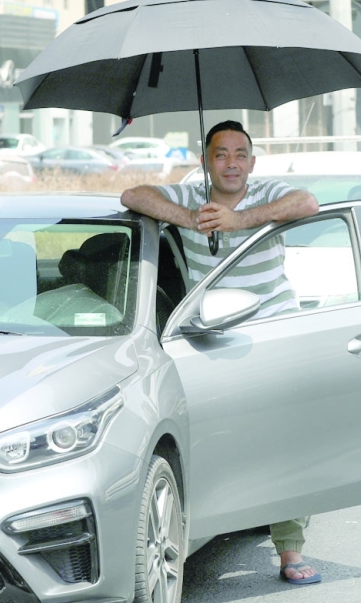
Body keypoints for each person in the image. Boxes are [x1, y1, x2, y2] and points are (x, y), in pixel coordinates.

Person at [120, 120, 323, 585]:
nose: (231, 163)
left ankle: (290, 550)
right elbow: (132, 196)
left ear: (252, 162)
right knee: (219, 437)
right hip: (211, 338)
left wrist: (239, 220)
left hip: (274, 333)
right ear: (205, 160)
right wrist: (189, 218)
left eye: (239, 154)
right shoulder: (191, 197)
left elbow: (307, 204)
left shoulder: (270, 192)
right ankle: (212, 525)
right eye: (220, 154)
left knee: (283, 438)